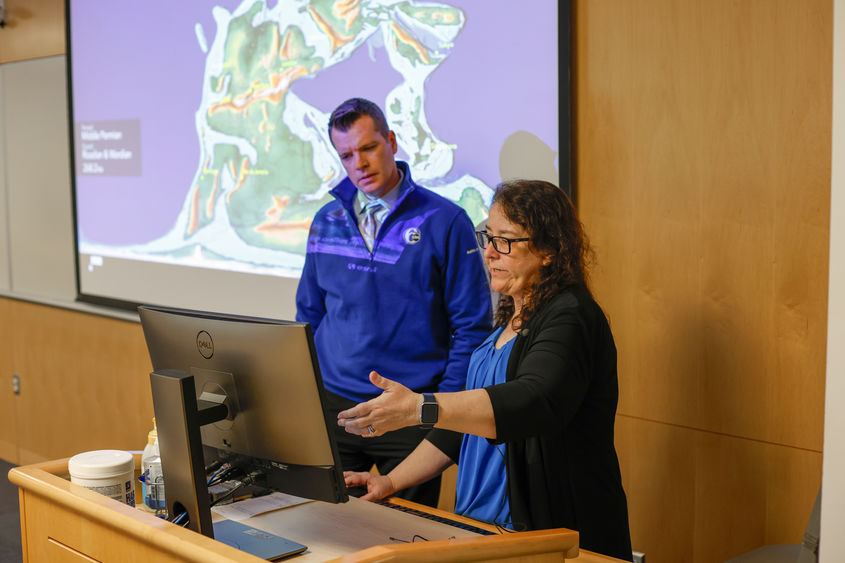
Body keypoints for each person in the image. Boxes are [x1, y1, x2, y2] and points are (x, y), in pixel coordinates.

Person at [338, 180, 633, 561]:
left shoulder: (571, 317)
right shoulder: (512, 314)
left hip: (544, 537)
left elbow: (532, 401)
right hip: (479, 529)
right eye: (488, 237)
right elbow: (460, 432)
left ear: (548, 250)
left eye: (506, 241)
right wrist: (390, 481)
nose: (490, 252)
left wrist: (420, 407)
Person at [295, 98, 492, 507]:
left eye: (368, 148)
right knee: (324, 530)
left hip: (409, 410)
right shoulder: (325, 221)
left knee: (405, 540)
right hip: (333, 409)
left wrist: (444, 410)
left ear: (392, 141)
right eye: (347, 155)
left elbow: (471, 326)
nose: (359, 164)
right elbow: (309, 316)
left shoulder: (446, 221)